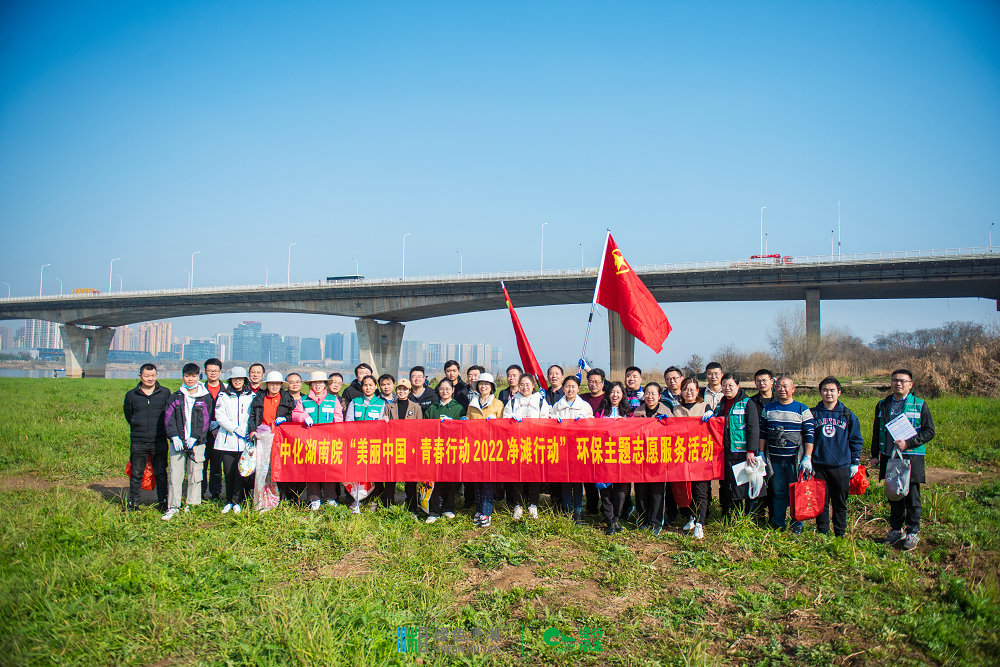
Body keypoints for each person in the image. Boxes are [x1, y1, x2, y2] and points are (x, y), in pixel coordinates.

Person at [870, 369, 935, 550]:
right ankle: (896, 530)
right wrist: (874, 455)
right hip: (889, 456)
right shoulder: (883, 404)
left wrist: (908, 443)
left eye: (903, 381)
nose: (898, 384)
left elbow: (929, 432)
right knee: (894, 494)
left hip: (911, 456)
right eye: (895, 380)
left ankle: (913, 532)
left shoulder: (920, 404)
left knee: (912, 496)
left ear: (910, 384)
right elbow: (877, 431)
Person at [758, 376, 815, 534]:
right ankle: (778, 524)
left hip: (794, 461)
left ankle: (797, 525)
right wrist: (761, 453)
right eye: (779, 386)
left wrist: (807, 457)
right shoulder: (768, 408)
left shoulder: (802, 409)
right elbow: (762, 433)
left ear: (793, 389)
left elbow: (810, 435)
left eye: (786, 386)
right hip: (774, 460)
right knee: (778, 493)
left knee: (797, 493)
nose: (782, 389)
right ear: (775, 388)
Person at [812, 377, 863, 538]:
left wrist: (854, 462)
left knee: (840, 502)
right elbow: (806, 438)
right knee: (821, 502)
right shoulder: (813, 413)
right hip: (819, 465)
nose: (829, 393)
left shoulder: (847, 414)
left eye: (832, 390)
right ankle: (823, 532)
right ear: (820, 392)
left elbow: (856, 439)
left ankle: (840, 533)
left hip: (841, 466)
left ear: (839, 392)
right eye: (825, 390)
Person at [162, 363, 212, 520]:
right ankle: (173, 506)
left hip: (197, 443)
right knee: (175, 475)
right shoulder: (176, 396)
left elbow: (206, 419)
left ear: (199, 376)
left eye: (193, 376)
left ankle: (192, 504)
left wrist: (196, 436)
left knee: (195, 474)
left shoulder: (205, 397)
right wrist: (174, 436)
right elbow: (168, 418)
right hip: (178, 442)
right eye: (187, 376)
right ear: (182, 376)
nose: (190, 379)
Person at [293, 371, 344, 510]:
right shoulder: (303, 400)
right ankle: (314, 498)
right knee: (311, 470)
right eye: (315, 383)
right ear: (311, 385)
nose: (318, 385)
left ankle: (330, 497)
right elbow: (295, 414)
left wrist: (334, 432)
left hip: (328, 441)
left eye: (321, 383)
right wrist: (304, 417)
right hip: (309, 442)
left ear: (325, 385)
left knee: (328, 469)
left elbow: (338, 418)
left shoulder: (333, 400)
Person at [122, 363, 170, 511]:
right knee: (136, 473)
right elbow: (129, 415)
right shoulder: (131, 395)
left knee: (161, 473)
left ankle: (163, 502)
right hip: (139, 440)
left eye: (153, 375)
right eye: (147, 376)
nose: (150, 378)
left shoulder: (165, 393)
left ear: (156, 375)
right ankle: (133, 503)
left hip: (159, 440)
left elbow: (169, 414)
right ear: (140, 376)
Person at [672, 377, 714, 539]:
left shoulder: (704, 407)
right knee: (684, 489)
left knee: (700, 490)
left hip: (700, 456)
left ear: (698, 391)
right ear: (681, 392)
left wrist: (712, 416)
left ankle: (700, 523)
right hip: (681, 456)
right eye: (685, 389)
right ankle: (692, 516)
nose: (689, 392)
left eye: (692, 389)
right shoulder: (676, 409)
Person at [248, 371, 296, 511]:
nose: (274, 386)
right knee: (262, 469)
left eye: (277, 384)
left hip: (279, 438)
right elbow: (252, 416)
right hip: (262, 437)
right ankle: (260, 501)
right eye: (272, 383)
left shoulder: (287, 398)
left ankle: (275, 500)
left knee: (276, 468)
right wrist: (252, 430)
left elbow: (291, 416)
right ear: (267, 384)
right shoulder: (259, 398)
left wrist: (285, 420)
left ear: (281, 385)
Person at [503, 373, 548, 520]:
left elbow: (546, 421)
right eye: (522, 384)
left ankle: (533, 504)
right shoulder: (513, 402)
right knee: (517, 476)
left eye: (528, 384)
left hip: (535, 444)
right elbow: (504, 420)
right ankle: (518, 505)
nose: (525, 387)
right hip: (516, 444)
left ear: (533, 386)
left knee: (534, 476)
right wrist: (511, 420)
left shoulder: (541, 401)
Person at [550, 375, 593, 524]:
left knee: (577, 482)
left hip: (579, 449)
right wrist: (554, 421)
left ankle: (578, 512)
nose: (570, 389)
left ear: (578, 389)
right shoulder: (557, 406)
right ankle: (567, 511)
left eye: (573, 386)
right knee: (565, 481)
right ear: (563, 388)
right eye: (567, 386)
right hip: (562, 449)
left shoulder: (585, 406)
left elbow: (593, 426)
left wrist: (585, 421)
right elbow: (549, 424)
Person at [716, 374, 760, 521]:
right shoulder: (721, 403)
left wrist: (751, 451)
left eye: (730, 386)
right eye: (724, 386)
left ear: (737, 386)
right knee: (728, 485)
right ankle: (730, 515)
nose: (727, 388)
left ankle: (748, 518)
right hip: (726, 452)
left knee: (744, 485)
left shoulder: (747, 403)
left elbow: (753, 428)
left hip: (742, 452)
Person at [630, 382, 672, 535]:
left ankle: (655, 522)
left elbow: (675, 433)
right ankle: (642, 519)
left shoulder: (666, 411)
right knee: (641, 490)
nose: (650, 396)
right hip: (641, 457)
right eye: (647, 393)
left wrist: (667, 422)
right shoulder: (637, 412)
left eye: (654, 393)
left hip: (659, 458)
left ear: (659, 396)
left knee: (657, 490)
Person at [213, 366, 256, 514]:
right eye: (235, 379)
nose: (237, 381)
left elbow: (252, 415)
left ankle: (237, 501)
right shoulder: (223, 396)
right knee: (229, 472)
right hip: (227, 440)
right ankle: (229, 500)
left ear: (245, 380)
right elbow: (220, 416)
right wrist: (234, 428)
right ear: (231, 380)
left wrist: (245, 430)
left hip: (244, 441)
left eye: (240, 379)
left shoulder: (251, 396)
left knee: (241, 472)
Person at [344, 374, 387, 512]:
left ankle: (373, 500)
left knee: (373, 473)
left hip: (373, 444)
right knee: (356, 472)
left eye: (371, 385)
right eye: (365, 385)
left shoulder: (382, 403)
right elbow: (348, 422)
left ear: (375, 387)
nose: (368, 388)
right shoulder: (355, 402)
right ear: (361, 387)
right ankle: (356, 500)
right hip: (357, 444)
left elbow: (382, 425)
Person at [424, 378, 465, 523]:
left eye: (447, 389)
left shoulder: (458, 408)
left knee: (450, 480)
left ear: (453, 390)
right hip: (435, 448)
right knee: (434, 480)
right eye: (441, 389)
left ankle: (448, 507)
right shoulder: (432, 407)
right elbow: (425, 428)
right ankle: (433, 511)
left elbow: (463, 428)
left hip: (452, 449)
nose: (444, 391)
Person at [466, 373, 503, 527]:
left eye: (487, 384)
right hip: (475, 447)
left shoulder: (498, 404)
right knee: (477, 481)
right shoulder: (472, 404)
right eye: (481, 384)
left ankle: (487, 512)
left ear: (492, 387)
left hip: (491, 448)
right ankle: (479, 509)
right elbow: (467, 422)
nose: (484, 387)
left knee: (487, 481)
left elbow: (503, 425)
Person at [595, 382, 631, 534]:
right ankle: (610, 520)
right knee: (606, 490)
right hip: (604, 456)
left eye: (618, 392)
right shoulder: (601, 412)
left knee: (621, 490)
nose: (615, 395)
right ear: (608, 394)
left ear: (622, 394)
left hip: (623, 455)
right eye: (612, 392)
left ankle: (616, 517)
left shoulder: (629, 413)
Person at [387, 378, 424, 516]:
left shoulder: (416, 407)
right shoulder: (389, 406)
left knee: (410, 479)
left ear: (409, 391)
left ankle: (412, 506)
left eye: (405, 389)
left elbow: (420, 429)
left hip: (410, 447)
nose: (402, 391)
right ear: (396, 391)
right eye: (399, 389)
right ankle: (388, 504)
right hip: (393, 446)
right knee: (391, 478)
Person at [748, 368, 775, 524]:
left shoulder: (779, 401)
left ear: (771, 382)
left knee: (773, 484)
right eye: (758, 381)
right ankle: (756, 517)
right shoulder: (751, 402)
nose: (761, 383)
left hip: (776, 448)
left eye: (764, 380)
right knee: (757, 482)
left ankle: (773, 517)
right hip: (757, 448)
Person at [201, 357, 225, 501]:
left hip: (220, 432)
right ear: (205, 372)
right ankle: (201, 491)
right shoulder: (200, 389)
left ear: (220, 372)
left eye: (215, 371)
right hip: (203, 433)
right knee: (202, 464)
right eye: (210, 371)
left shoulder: (226, 389)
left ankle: (215, 492)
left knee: (217, 465)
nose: (213, 373)